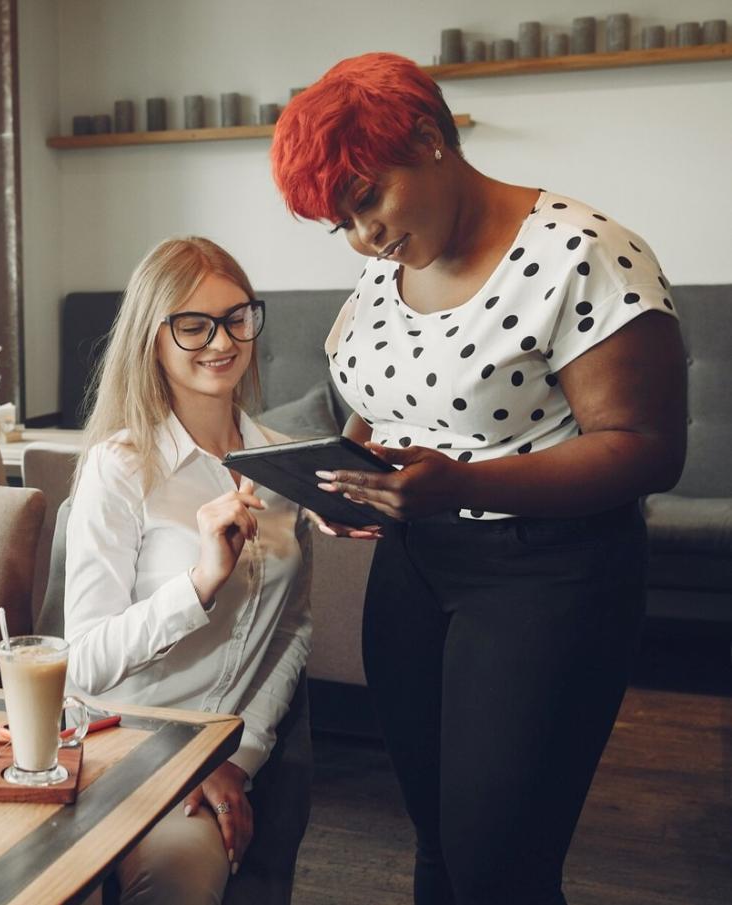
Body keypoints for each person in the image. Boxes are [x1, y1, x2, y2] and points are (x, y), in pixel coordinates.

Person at [270, 53, 687, 905]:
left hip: (549, 575)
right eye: (339, 224)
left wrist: (461, 483)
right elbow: (374, 406)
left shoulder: (584, 251)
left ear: (428, 138)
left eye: (366, 202)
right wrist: (351, 477)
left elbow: (648, 446)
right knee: (438, 846)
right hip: (414, 570)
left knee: (500, 863)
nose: (362, 237)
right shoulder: (385, 270)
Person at [64, 237, 312, 904]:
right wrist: (200, 582)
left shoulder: (285, 465)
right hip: (116, 747)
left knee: (179, 879)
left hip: (216, 754)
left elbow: (293, 630)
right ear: (152, 337)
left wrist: (238, 754)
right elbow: (83, 663)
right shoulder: (119, 467)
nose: (221, 340)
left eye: (237, 316)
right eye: (192, 324)